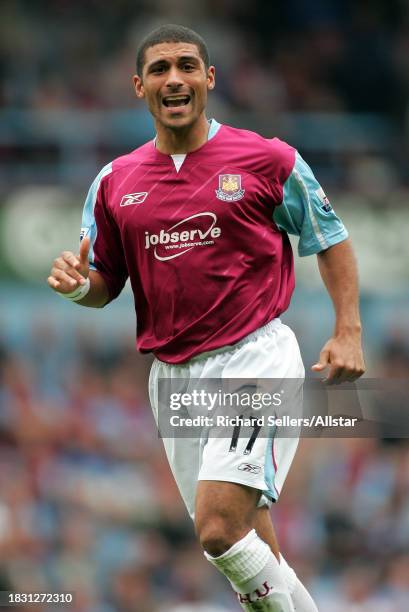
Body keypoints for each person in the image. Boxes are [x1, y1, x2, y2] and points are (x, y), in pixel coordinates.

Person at [47, 24, 365, 611]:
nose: (176, 79)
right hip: (173, 376)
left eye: (188, 66)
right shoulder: (115, 182)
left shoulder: (267, 159)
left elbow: (331, 238)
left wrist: (348, 331)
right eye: (161, 69)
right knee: (248, 547)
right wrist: (78, 288)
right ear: (139, 85)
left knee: (219, 529)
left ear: (210, 79)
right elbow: (105, 285)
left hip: (255, 357)